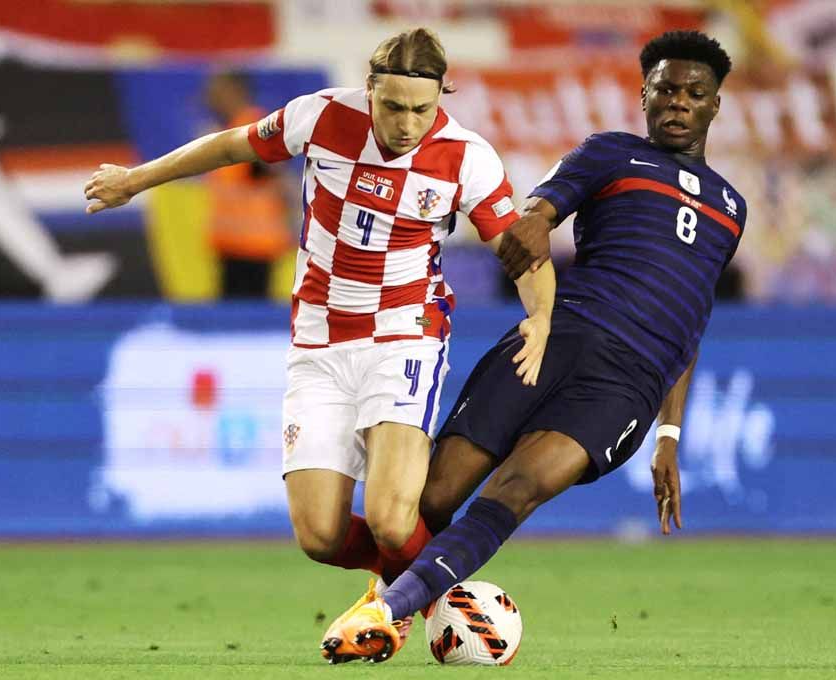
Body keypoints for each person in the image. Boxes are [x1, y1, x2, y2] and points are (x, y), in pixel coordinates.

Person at [84, 26, 553, 640]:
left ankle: (418, 606)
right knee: (320, 535)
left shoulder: (466, 157)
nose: (406, 123)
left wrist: (541, 317)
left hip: (404, 334)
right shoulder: (322, 116)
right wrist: (136, 179)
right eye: (392, 106)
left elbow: (519, 252)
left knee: (390, 520)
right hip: (319, 342)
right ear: (369, 91)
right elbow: (230, 147)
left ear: (441, 97)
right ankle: (442, 590)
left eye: (422, 108)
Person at [319, 30, 747, 664]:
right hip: (554, 339)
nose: (677, 103)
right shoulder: (611, 155)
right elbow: (540, 211)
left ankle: (385, 611)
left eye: (693, 93)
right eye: (665, 90)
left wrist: (669, 436)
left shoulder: (731, 209)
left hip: (628, 383)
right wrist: (535, 224)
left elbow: (691, 325)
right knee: (432, 497)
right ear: (644, 95)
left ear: (715, 105)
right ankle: (401, 598)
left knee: (517, 489)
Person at [202, 72, 294, 299]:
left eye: (217, 90)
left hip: (255, 246)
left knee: (246, 317)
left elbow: (280, 179)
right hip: (231, 245)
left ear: (235, 91)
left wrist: (294, 222)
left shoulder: (255, 128)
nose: (210, 97)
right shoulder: (229, 129)